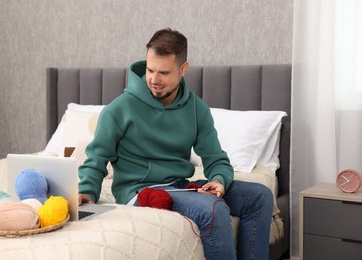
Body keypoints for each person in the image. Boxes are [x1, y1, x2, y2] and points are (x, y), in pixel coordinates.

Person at [78, 28, 273, 260]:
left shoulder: (196, 108)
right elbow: (97, 158)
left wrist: (219, 180)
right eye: (150, 70)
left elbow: (216, 159)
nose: (154, 79)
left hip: (179, 185)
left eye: (163, 72)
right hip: (141, 192)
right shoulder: (118, 109)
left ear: (183, 69)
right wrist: (86, 192)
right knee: (213, 209)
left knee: (260, 196)